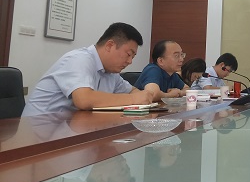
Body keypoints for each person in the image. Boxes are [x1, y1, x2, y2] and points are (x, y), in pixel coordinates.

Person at [23, 23, 153, 116]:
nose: (130, 61)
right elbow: (84, 100)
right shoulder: (79, 59)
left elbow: (132, 91)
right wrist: (134, 100)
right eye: (128, 54)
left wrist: (141, 96)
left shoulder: (111, 72)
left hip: (71, 129)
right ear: (109, 45)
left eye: (133, 57)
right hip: (38, 132)